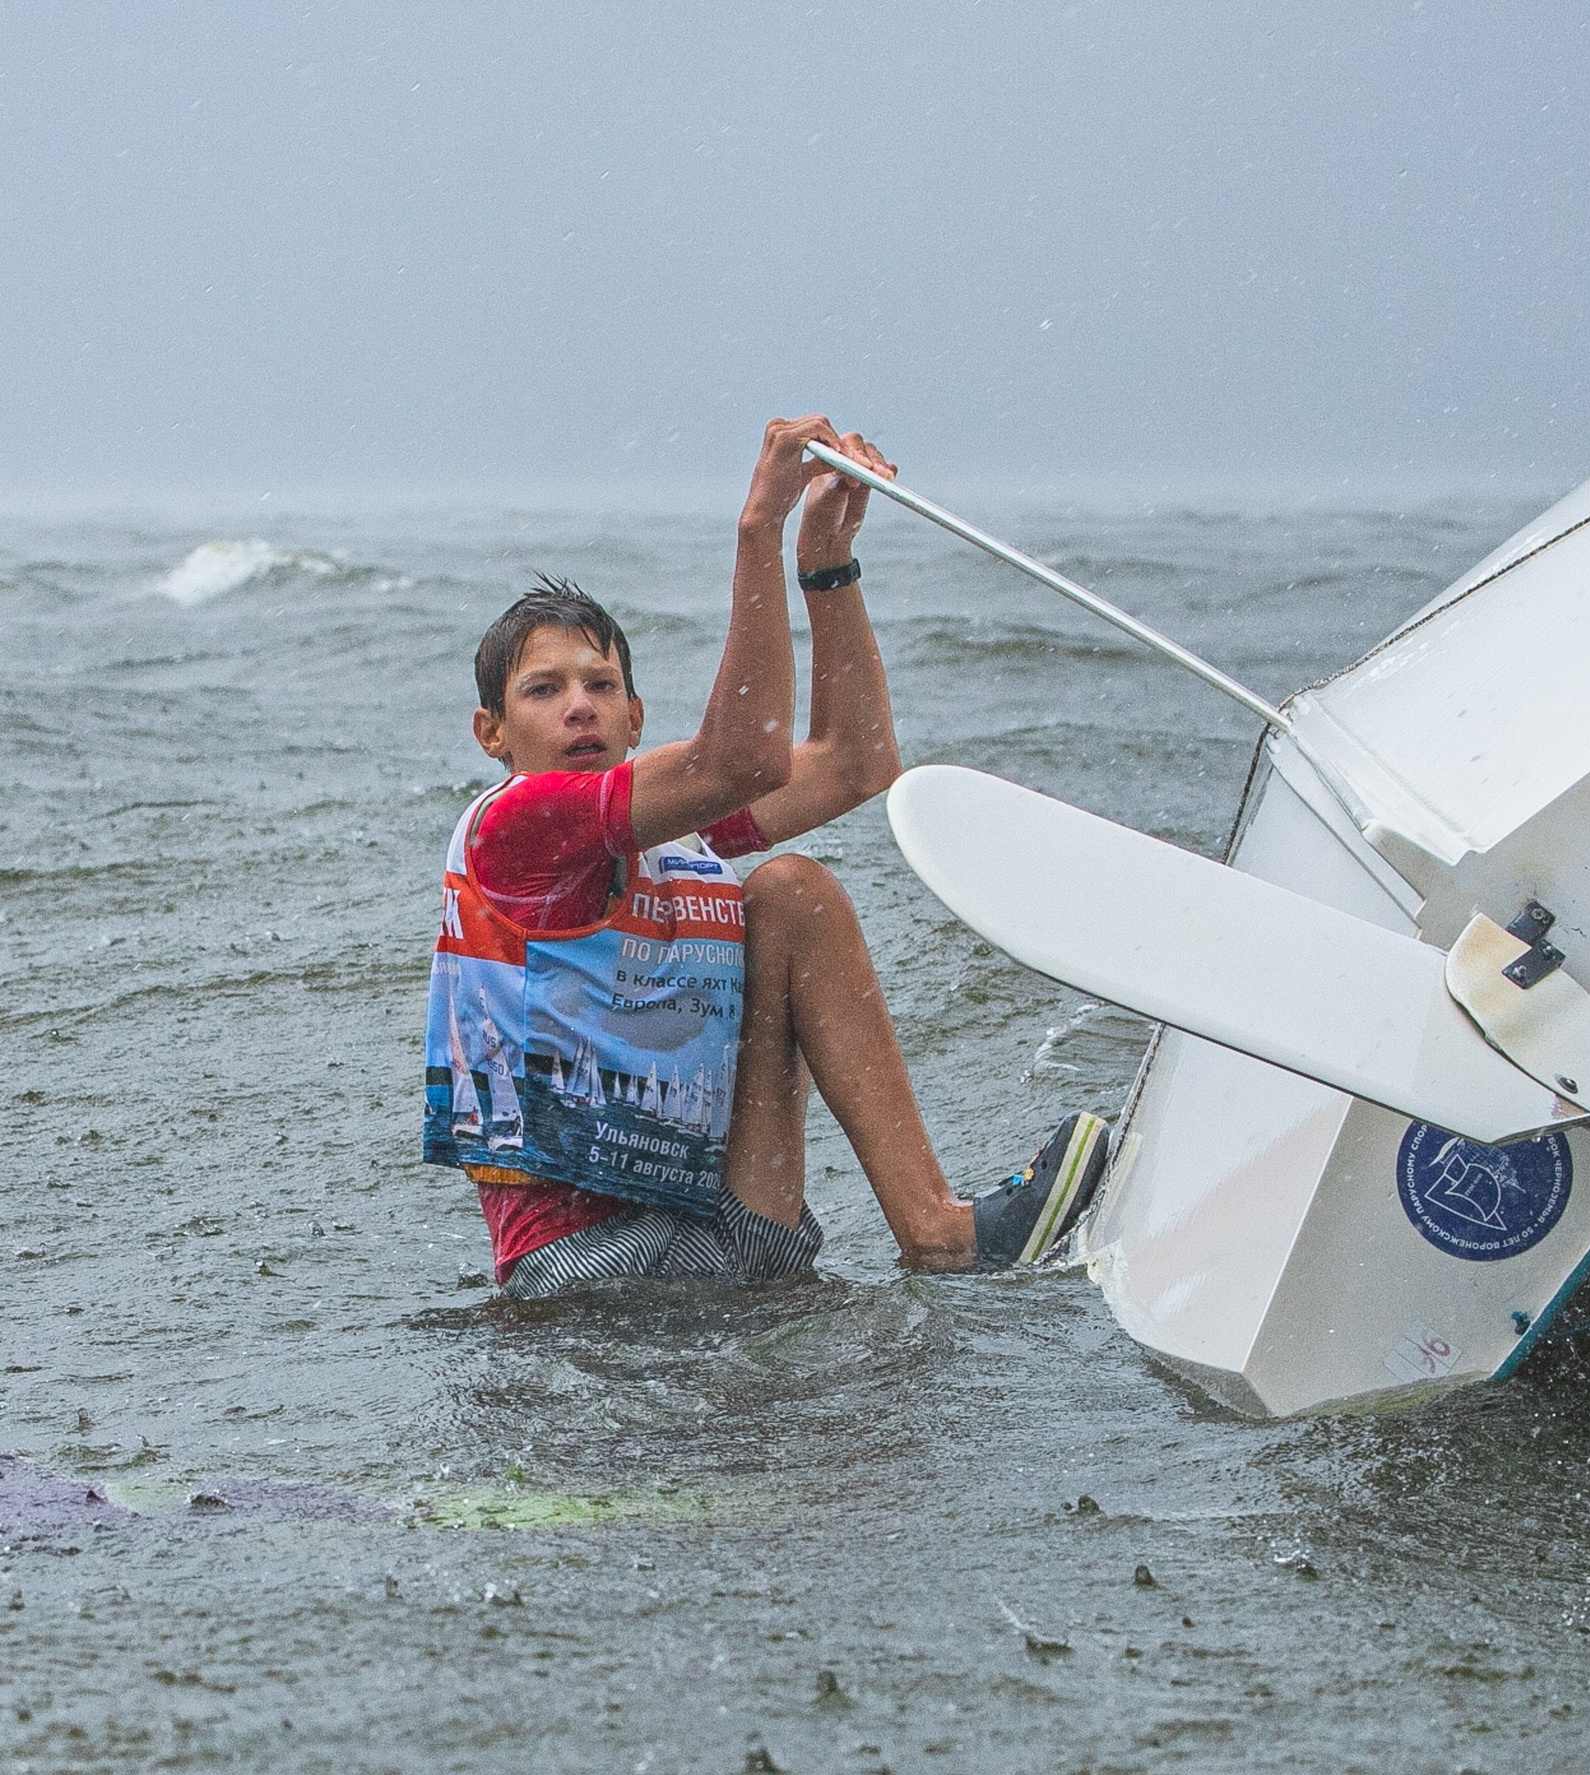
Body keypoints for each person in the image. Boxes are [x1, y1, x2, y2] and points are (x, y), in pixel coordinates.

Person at [423, 415, 1107, 1297]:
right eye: (543, 691)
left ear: (637, 717)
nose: (580, 708)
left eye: (601, 686)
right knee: (791, 888)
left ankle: (935, 1230)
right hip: (582, 1275)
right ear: (493, 732)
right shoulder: (513, 829)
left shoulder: (673, 836)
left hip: (718, 1233)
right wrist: (760, 528)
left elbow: (855, 765)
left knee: (791, 896)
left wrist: (826, 562)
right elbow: (739, 757)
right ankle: (941, 1232)